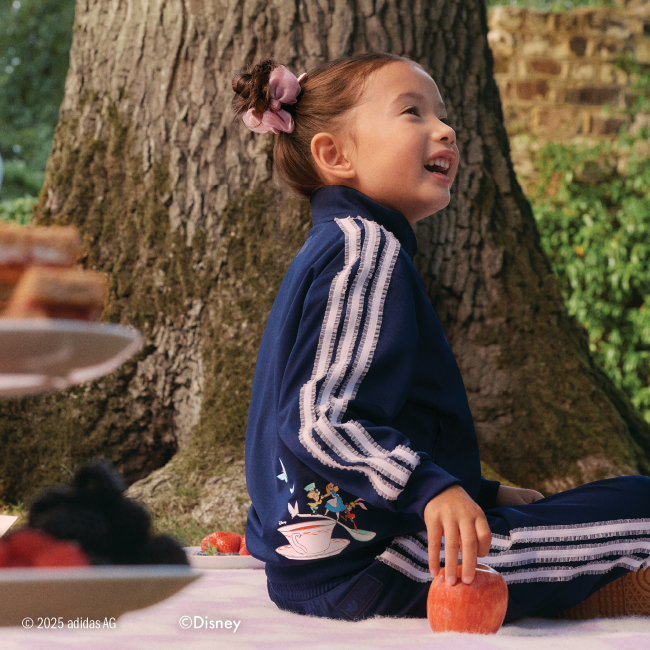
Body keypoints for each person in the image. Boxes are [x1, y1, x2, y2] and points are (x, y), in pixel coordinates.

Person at [234, 53, 650, 622]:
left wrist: (478, 491)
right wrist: (430, 489)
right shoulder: (364, 248)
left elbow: (351, 419)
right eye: (413, 112)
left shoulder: (337, 248)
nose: (445, 129)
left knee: (612, 497)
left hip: (329, 563)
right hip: (377, 566)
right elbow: (318, 421)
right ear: (335, 154)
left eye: (443, 115)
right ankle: (610, 590)